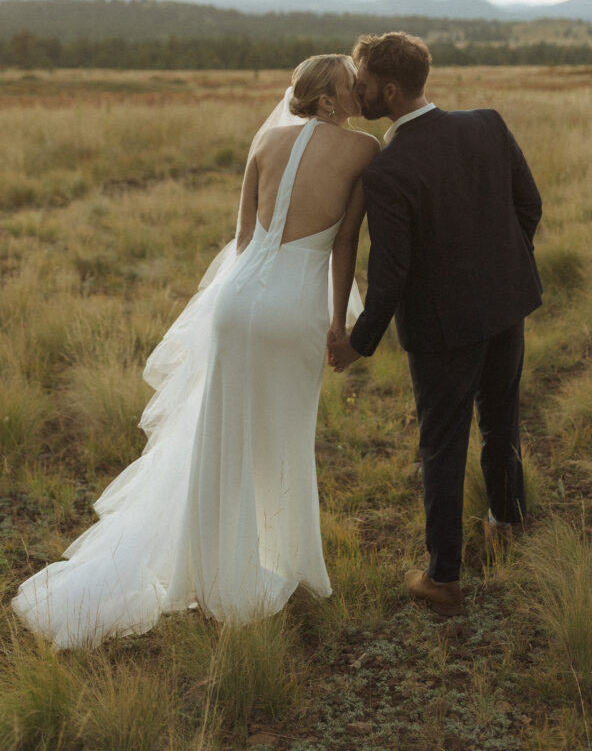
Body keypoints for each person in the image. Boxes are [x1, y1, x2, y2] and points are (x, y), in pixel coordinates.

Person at [12, 54, 379, 648]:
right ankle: (273, 565)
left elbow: (242, 240)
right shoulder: (365, 150)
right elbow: (344, 242)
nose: (357, 88)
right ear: (328, 102)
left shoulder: (266, 144)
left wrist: (229, 307)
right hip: (295, 308)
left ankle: (210, 566)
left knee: (220, 434)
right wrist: (340, 324)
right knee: (282, 435)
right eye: (347, 83)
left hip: (235, 301)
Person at [328, 32, 542, 617]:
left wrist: (356, 343)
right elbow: (531, 206)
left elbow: (390, 277)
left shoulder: (389, 171)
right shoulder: (487, 124)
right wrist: (501, 269)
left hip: (444, 332)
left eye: (364, 81)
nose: (358, 88)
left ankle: (444, 578)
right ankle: (506, 521)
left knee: (442, 445)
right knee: (502, 420)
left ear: (390, 90)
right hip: (505, 307)